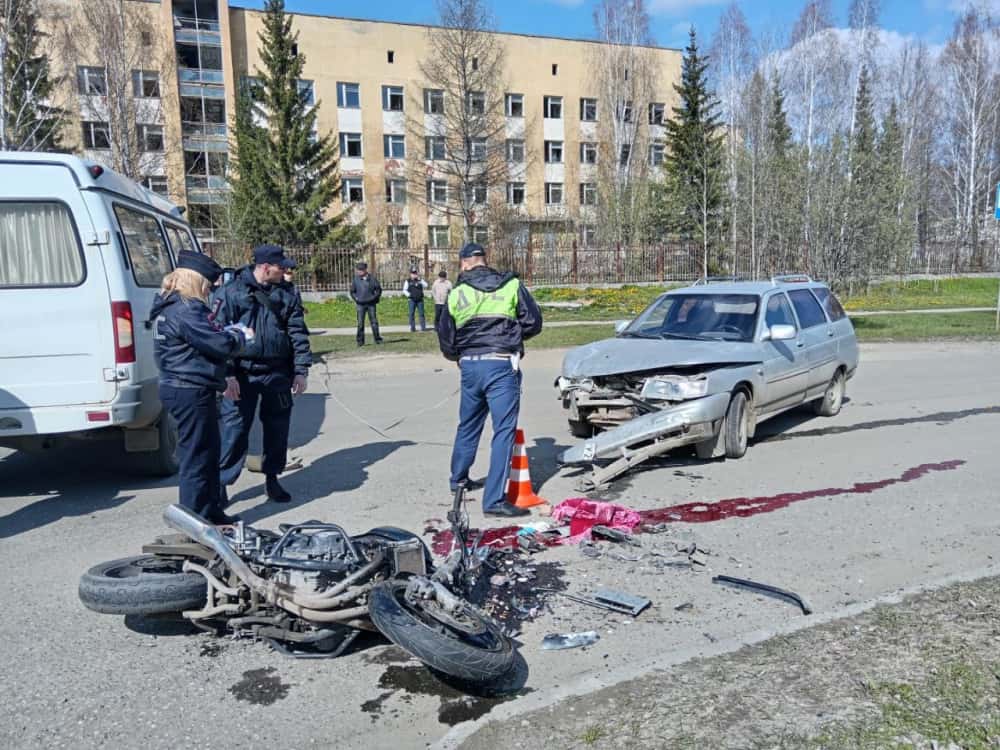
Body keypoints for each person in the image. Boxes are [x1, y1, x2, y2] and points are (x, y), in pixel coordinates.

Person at [437, 242, 543, 518]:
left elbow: (446, 336)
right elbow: (533, 322)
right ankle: (493, 501)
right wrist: (512, 339)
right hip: (500, 364)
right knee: (503, 431)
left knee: (468, 425)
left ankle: (458, 479)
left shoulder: (456, 292)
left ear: (464, 263)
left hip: (470, 366)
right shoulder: (510, 285)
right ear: (484, 260)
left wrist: (458, 356)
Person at [150, 250, 252, 525]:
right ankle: (195, 523)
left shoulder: (169, 305)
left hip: (187, 387)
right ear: (195, 280)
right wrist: (239, 335)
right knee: (196, 460)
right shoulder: (186, 309)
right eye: (207, 283)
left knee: (207, 455)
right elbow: (220, 344)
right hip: (189, 389)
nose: (209, 289)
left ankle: (211, 512)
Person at [215, 244, 312, 505]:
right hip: (241, 375)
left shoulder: (287, 294)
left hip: (277, 373)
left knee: (277, 430)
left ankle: (272, 478)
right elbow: (219, 336)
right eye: (281, 267)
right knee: (234, 431)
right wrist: (227, 375)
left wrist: (300, 370)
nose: (285, 271)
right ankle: (221, 484)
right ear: (265, 267)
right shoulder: (232, 292)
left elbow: (297, 333)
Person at [350, 261, 383, 346]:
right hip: (360, 304)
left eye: (360, 270)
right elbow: (352, 291)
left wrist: (374, 298)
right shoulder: (356, 279)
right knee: (360, 323)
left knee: (374, 322)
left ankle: (377, 339)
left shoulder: (372, 279)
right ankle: (360, 341)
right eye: (358, 270)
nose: (358, 272)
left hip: (371, 304)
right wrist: (356, 298)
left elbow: (378, 290)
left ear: (365, 270)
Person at [403, 266, 429, 332]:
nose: (414, 274)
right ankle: (413, 328)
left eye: (415, 273)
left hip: (420, 300)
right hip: (412, 300)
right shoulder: (408, 281)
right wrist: (410, 295)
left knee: (421, 314)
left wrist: (420, 280)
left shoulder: (420, 280)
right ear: (410, 274)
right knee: (411, 314)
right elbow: (404, 290)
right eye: (413, 273)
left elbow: (426, 285)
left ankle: (423, 328)